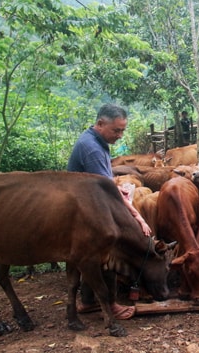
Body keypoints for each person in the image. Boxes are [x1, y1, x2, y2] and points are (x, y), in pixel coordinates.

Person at [67, 103, 151, 320]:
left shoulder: (96, 141)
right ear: (101, 123)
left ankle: (87, 301)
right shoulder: (92, 148)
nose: (121, 135)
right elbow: (106, 190)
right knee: (110, 248)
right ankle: (111, 304)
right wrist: (138, 217)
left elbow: (104, 181)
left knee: (91, 256)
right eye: (117, 130)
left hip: (87, 205)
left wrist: (118, 188)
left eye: (123, 130)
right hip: (85, 211)